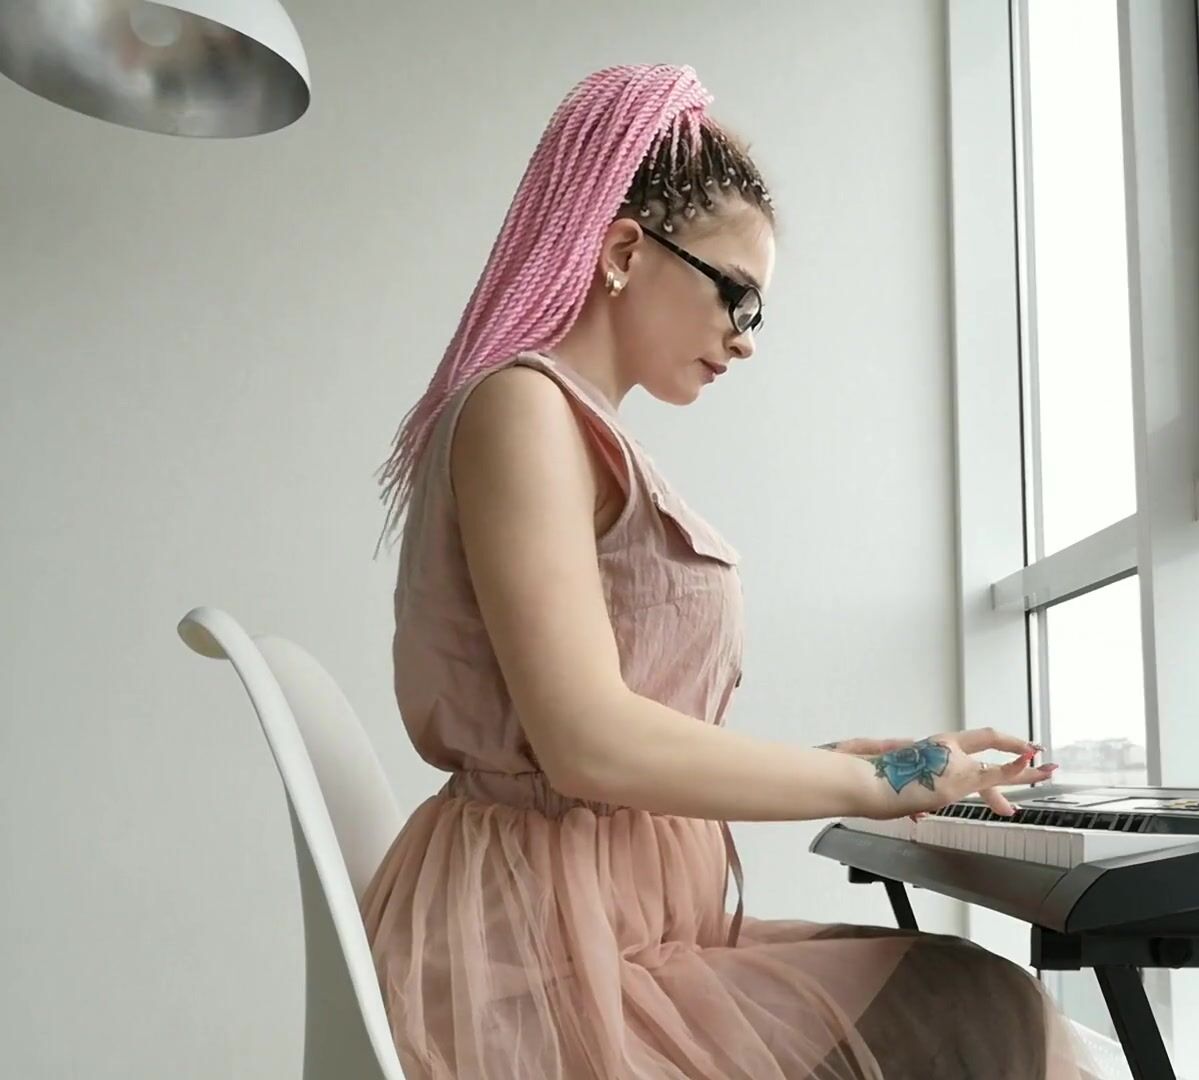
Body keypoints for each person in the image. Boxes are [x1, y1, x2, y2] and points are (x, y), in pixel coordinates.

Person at [361, 64, 1097, 1079]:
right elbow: (586, 745)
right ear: (625, 251)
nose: (744, 342)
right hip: (536, 967)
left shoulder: (568, 426)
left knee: (970, 998)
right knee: (971, 1010)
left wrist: (856, 760)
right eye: (736, 296)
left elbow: (614, 734)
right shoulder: (523, 410)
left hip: (613, 934)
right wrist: (874, 782)